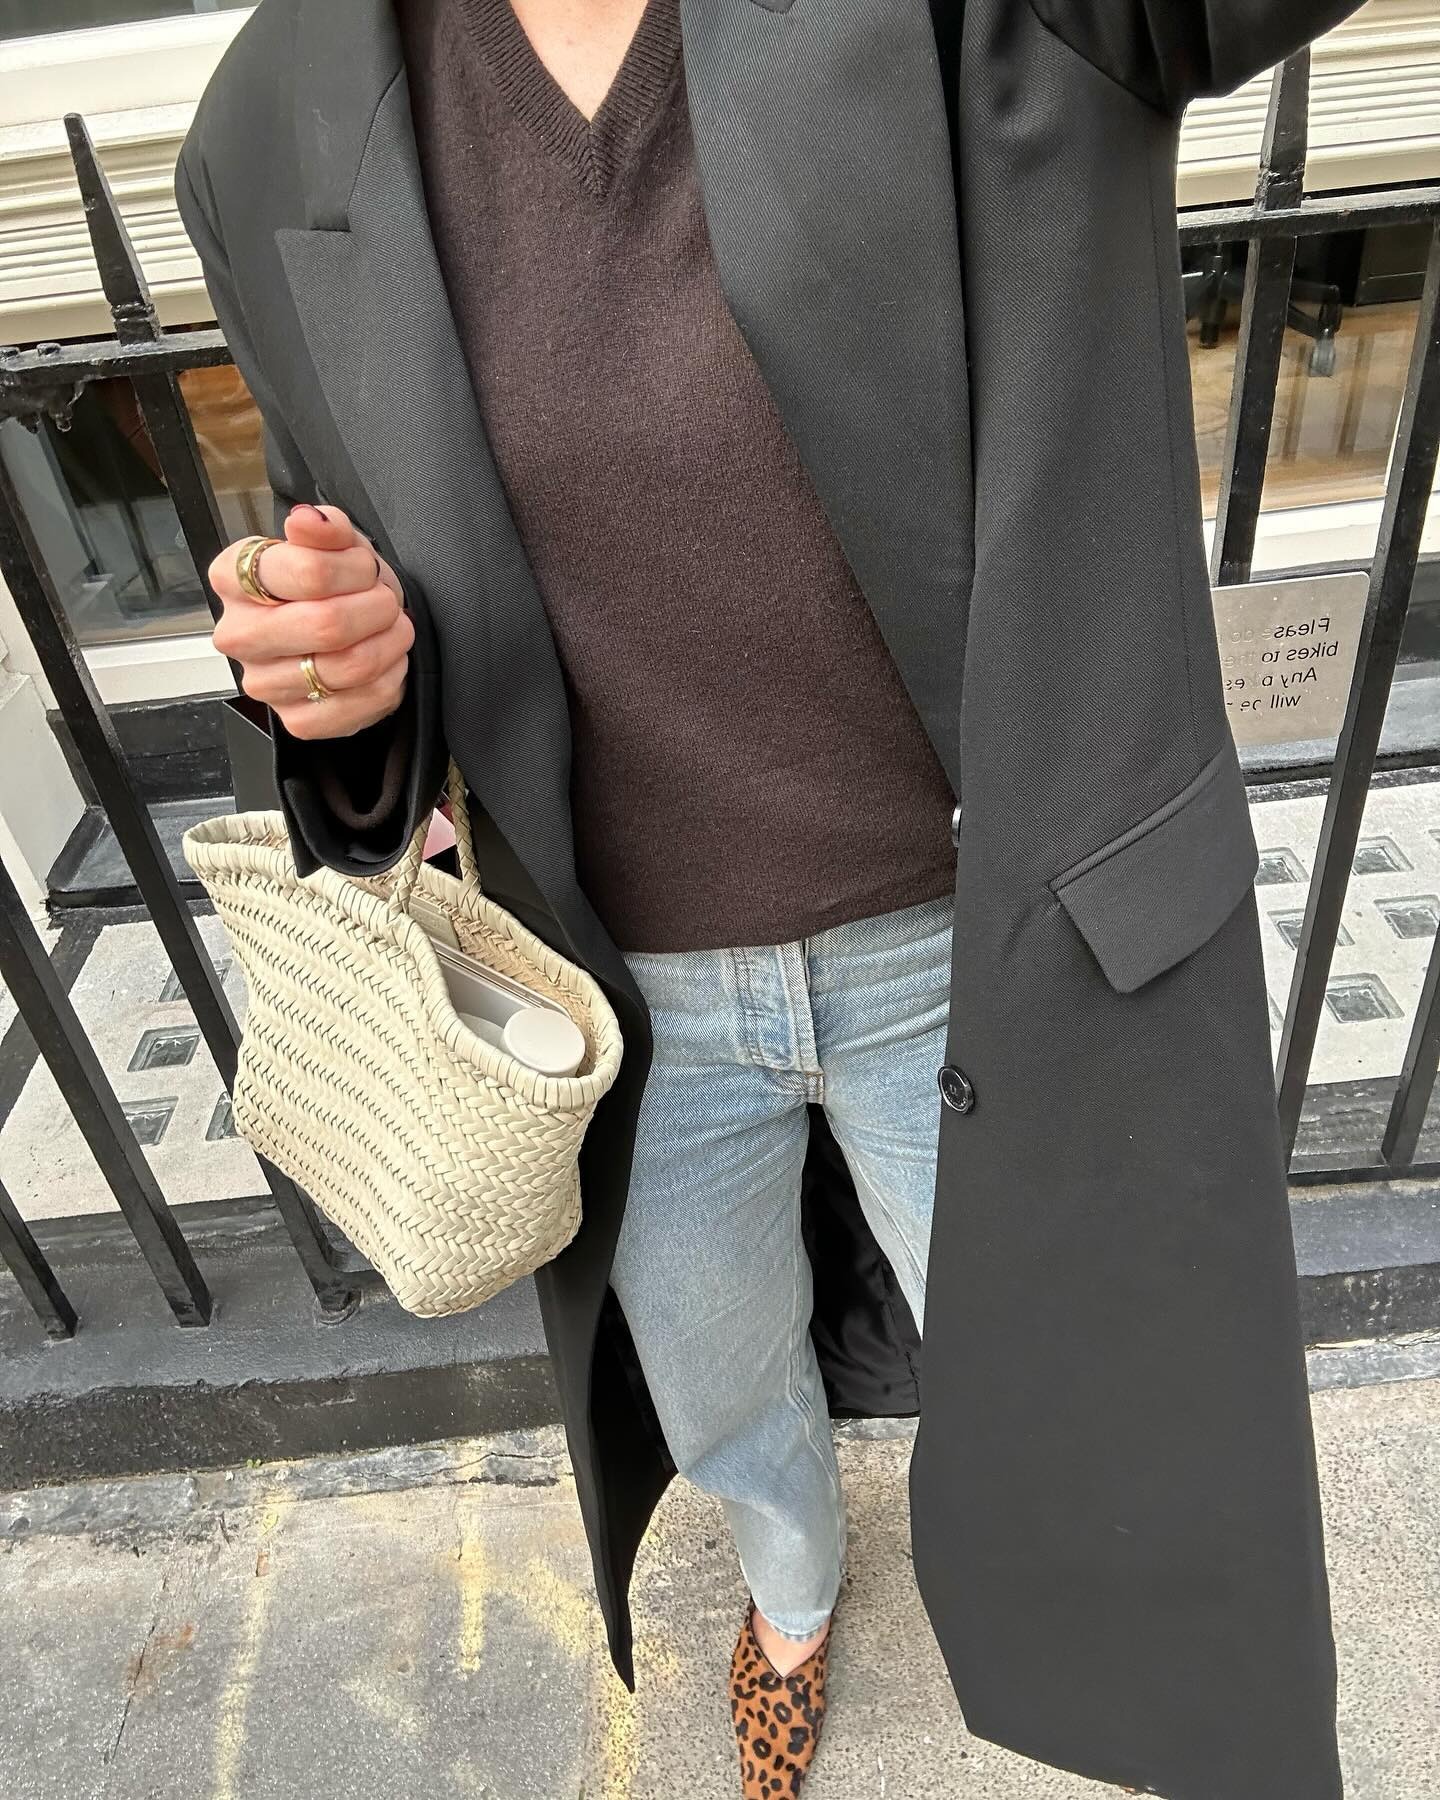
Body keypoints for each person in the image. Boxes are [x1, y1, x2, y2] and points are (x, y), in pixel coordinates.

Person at [177, 1, 1368, 1793]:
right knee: (724, 1382)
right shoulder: (273, 114)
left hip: (980, 951)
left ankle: (1095, 1667)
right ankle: (792, 1592)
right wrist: (338, 684)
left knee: (1078, 1402)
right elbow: (361, 617)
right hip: (636, 1002)